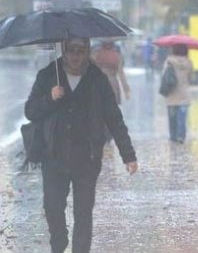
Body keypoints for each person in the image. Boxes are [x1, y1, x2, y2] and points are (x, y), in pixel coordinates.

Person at [25, 38, 138, 253]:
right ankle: (59, 242)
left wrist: (128, 155)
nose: (75, 56)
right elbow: (30, 111)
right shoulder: (48, 75)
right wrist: (50, 98)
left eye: (81, 50)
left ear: (87, 51)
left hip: (87, 157)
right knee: (53, 207)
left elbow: (114, 118)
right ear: (63, 50)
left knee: (83, 213)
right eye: (71, 50)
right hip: (54, 156)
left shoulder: (97, 79)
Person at [163, 44, 193, 143]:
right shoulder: (188, 62)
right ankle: (181, 136)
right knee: (182, 118)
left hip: (172, 94)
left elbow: (164, 75)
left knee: (172, 118)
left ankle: (173, 136)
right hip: (184, 94)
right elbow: (190, 77)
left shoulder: (169, 61)